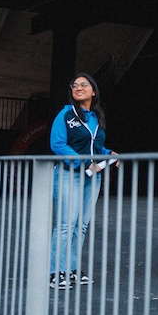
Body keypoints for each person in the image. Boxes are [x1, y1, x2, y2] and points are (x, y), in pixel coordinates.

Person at [49, 73, 116, 289]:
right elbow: (58, 144)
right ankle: (55, 272)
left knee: (82, 225)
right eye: (74, 85)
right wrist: (84, 161)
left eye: (84, 85)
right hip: (69, 173)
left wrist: (109, 153)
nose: (78, 87)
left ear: (93, 91)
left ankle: (72, 269)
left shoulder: (96, 116)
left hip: (92, 176)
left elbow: (95, 147)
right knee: (65, 225)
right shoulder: (66, 114)